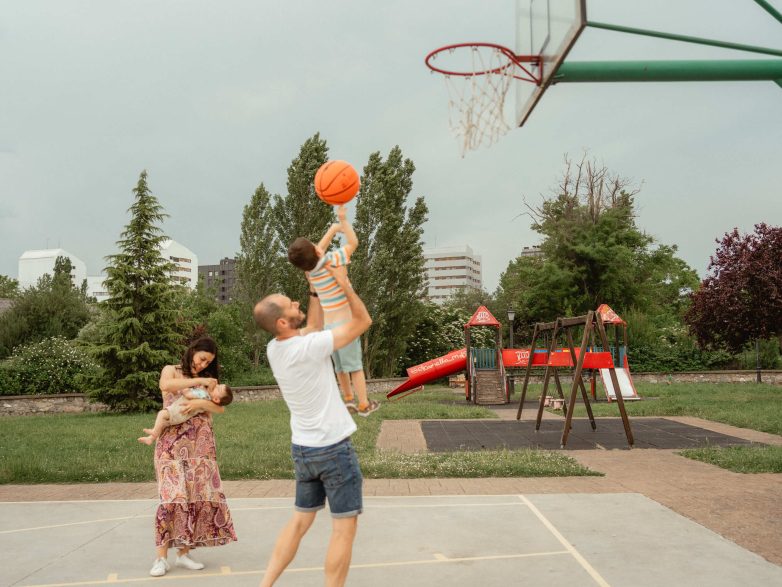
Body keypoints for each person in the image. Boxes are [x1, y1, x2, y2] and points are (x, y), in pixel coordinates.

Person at [253, 264, 372, 587]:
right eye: (291, 304)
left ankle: (265, 584)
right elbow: (363, 322)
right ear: (282, 322)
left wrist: (314, 289)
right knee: (343, 529)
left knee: (299, 522)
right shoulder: (309, 347)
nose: (296, 303)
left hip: (304, 450)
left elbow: (315, 323)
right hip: (333, 449)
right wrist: (344, 284)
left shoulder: (275, 349)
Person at [150, 336, 237, 577]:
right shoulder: (172, 370)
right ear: (193, 352)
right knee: (170, 499)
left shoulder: (211, 385)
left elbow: (219, 408)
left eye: (207, 363)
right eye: (201, 359)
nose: (203, 365)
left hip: (201, 446)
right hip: (170, 445)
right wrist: (199, 381)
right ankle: (161, 559)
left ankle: (184, 553)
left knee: (196, 498)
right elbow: (166, 387)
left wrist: (200, 401)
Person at [287, 204, 379, 416]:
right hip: (346, 324)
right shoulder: (333, 260)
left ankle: (347, 399)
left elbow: (316, 250)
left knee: (339, 366)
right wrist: (343, 222)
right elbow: (353, 242)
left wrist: (331, 230)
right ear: (317, 251)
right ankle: (363, 404)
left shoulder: (310, 274)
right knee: (355, 366)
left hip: (329, 328)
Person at [137, 383, 233, 445]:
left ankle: (154, 432)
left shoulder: (204, 394)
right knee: (164, 423)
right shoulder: (208, 401)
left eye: (218, 388)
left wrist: (183, 387)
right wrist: (210, 419)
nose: (216, 385)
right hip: (182, 415)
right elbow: (208, 412)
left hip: (179, 411)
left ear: (216, 399)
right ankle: (151, 438)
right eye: (218, 385)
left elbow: (188, 395)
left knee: (161, 414)